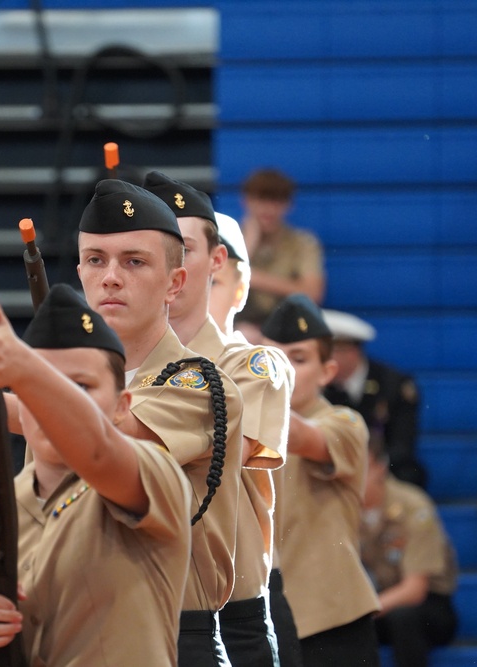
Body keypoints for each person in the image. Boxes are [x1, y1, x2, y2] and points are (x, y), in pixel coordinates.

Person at [0, 179, 244, 667]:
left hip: (177, 633)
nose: (111, 277)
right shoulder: (46, 387)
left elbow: (106, 442)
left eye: (134, 261)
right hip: (56, 627)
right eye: (96, 260)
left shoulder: (202, 384)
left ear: (175, 283)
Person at [0, 284, 193, 667]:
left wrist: (25, 369)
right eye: (40, 386)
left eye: (81, 386)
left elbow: (97, 449)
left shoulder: (153, 476)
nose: (51, 401)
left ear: (122, 407)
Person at [144, 172, 291, 667]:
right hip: (136, 604)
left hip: (227, 613)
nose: (171, 267)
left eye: (183, 249)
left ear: (217, 261)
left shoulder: (249, 366)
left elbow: (213, 443)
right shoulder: (117, 366)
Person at [262, 294, 381, 666]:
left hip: (331, 618)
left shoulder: (345, 423)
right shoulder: (244, 424)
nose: (281, 370)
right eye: (270, 358)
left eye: (297, 359)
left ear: (327, 372)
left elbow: (300, 436)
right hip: (260, 618)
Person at [209, 212, 305, 667]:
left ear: (241, 290)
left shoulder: (254, 365)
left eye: (215, 281)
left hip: (232, 600)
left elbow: (218, 453)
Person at [361, 444, 459, 667]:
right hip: (376, 602)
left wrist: (361, 611)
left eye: (361, 466)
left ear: (379, 467)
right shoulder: (342, 507)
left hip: (428, 605)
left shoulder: (413, 505)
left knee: (403, 618)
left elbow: (414, 590)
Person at [322, 309, 428, 488]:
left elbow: (402, 444)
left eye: (327, 355)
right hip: (337, 471)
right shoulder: (321, 387)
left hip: (386, 473)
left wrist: (372, 468)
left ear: (351, 352)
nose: (322, 362)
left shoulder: (393, 384)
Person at [234, 168, 325, 344]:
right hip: (239, 326)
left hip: (288, 325)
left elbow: (313, 293)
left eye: (276, 201)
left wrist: (249, 276)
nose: (268, 209)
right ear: (246, 201)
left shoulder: (302, 243)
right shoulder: (228, 236)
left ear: (288, 205)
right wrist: (247, 245)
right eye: (261, 200)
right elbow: (218, 287)